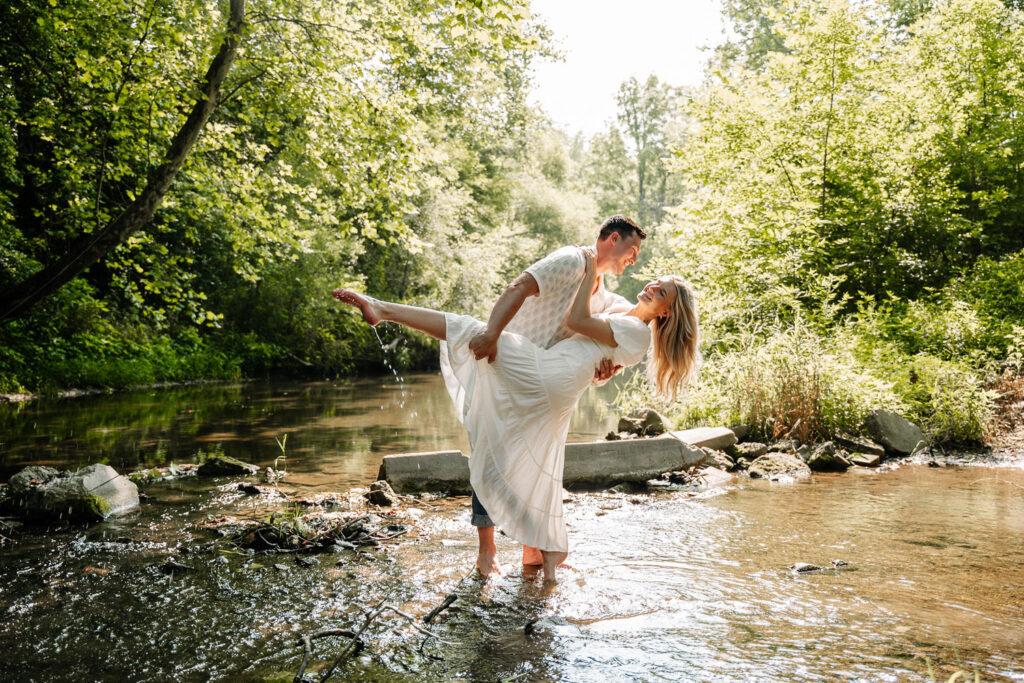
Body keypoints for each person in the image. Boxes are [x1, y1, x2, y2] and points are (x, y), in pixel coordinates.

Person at [332, 252, 701, 584]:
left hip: (547, 376)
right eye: (658, 281)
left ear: (666, 312)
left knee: (469, 330)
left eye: (662, 291)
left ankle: (382, 310)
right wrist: (607, 363)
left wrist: (590, 267)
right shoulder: (626, 314)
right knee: (539, 462)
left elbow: (577, 318)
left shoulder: (638, 332)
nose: (652, 285)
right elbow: (596, 339)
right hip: (558, 383)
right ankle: (543, 555)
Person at [466, 215, 646, 577]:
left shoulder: (602, 296)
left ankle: (532, 551)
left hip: (540, 384)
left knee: (535, 463)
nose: (635, 259)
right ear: (613, 239)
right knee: (492, 454)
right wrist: (491, 333)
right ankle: (487, 553)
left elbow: (587, 354)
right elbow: (519, 287)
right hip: (507, 364)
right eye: (633, 249)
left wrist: (603, 372)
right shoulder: (571, 260)